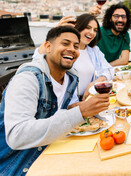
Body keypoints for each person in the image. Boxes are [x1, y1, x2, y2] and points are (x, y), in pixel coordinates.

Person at [0, 26, 111, 176]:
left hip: (50, 149)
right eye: (65, 44)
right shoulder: (27, 80)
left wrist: (73, 109)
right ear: (47, 46)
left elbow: (51, 114)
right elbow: (17, 136)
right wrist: (81, 112)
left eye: (76, 46)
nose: (72, 49)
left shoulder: (70, 78)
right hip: (19, 165)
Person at [34, 14, 112, 100]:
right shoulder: (64, 51)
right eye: (88, 28)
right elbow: (38, 58)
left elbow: (109, 70)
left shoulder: (94, 51)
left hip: (88, 99)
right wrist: (57, 31)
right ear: (77, 27)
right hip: (68, 104)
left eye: (95, 30)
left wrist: (93, 84)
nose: (92, 33)